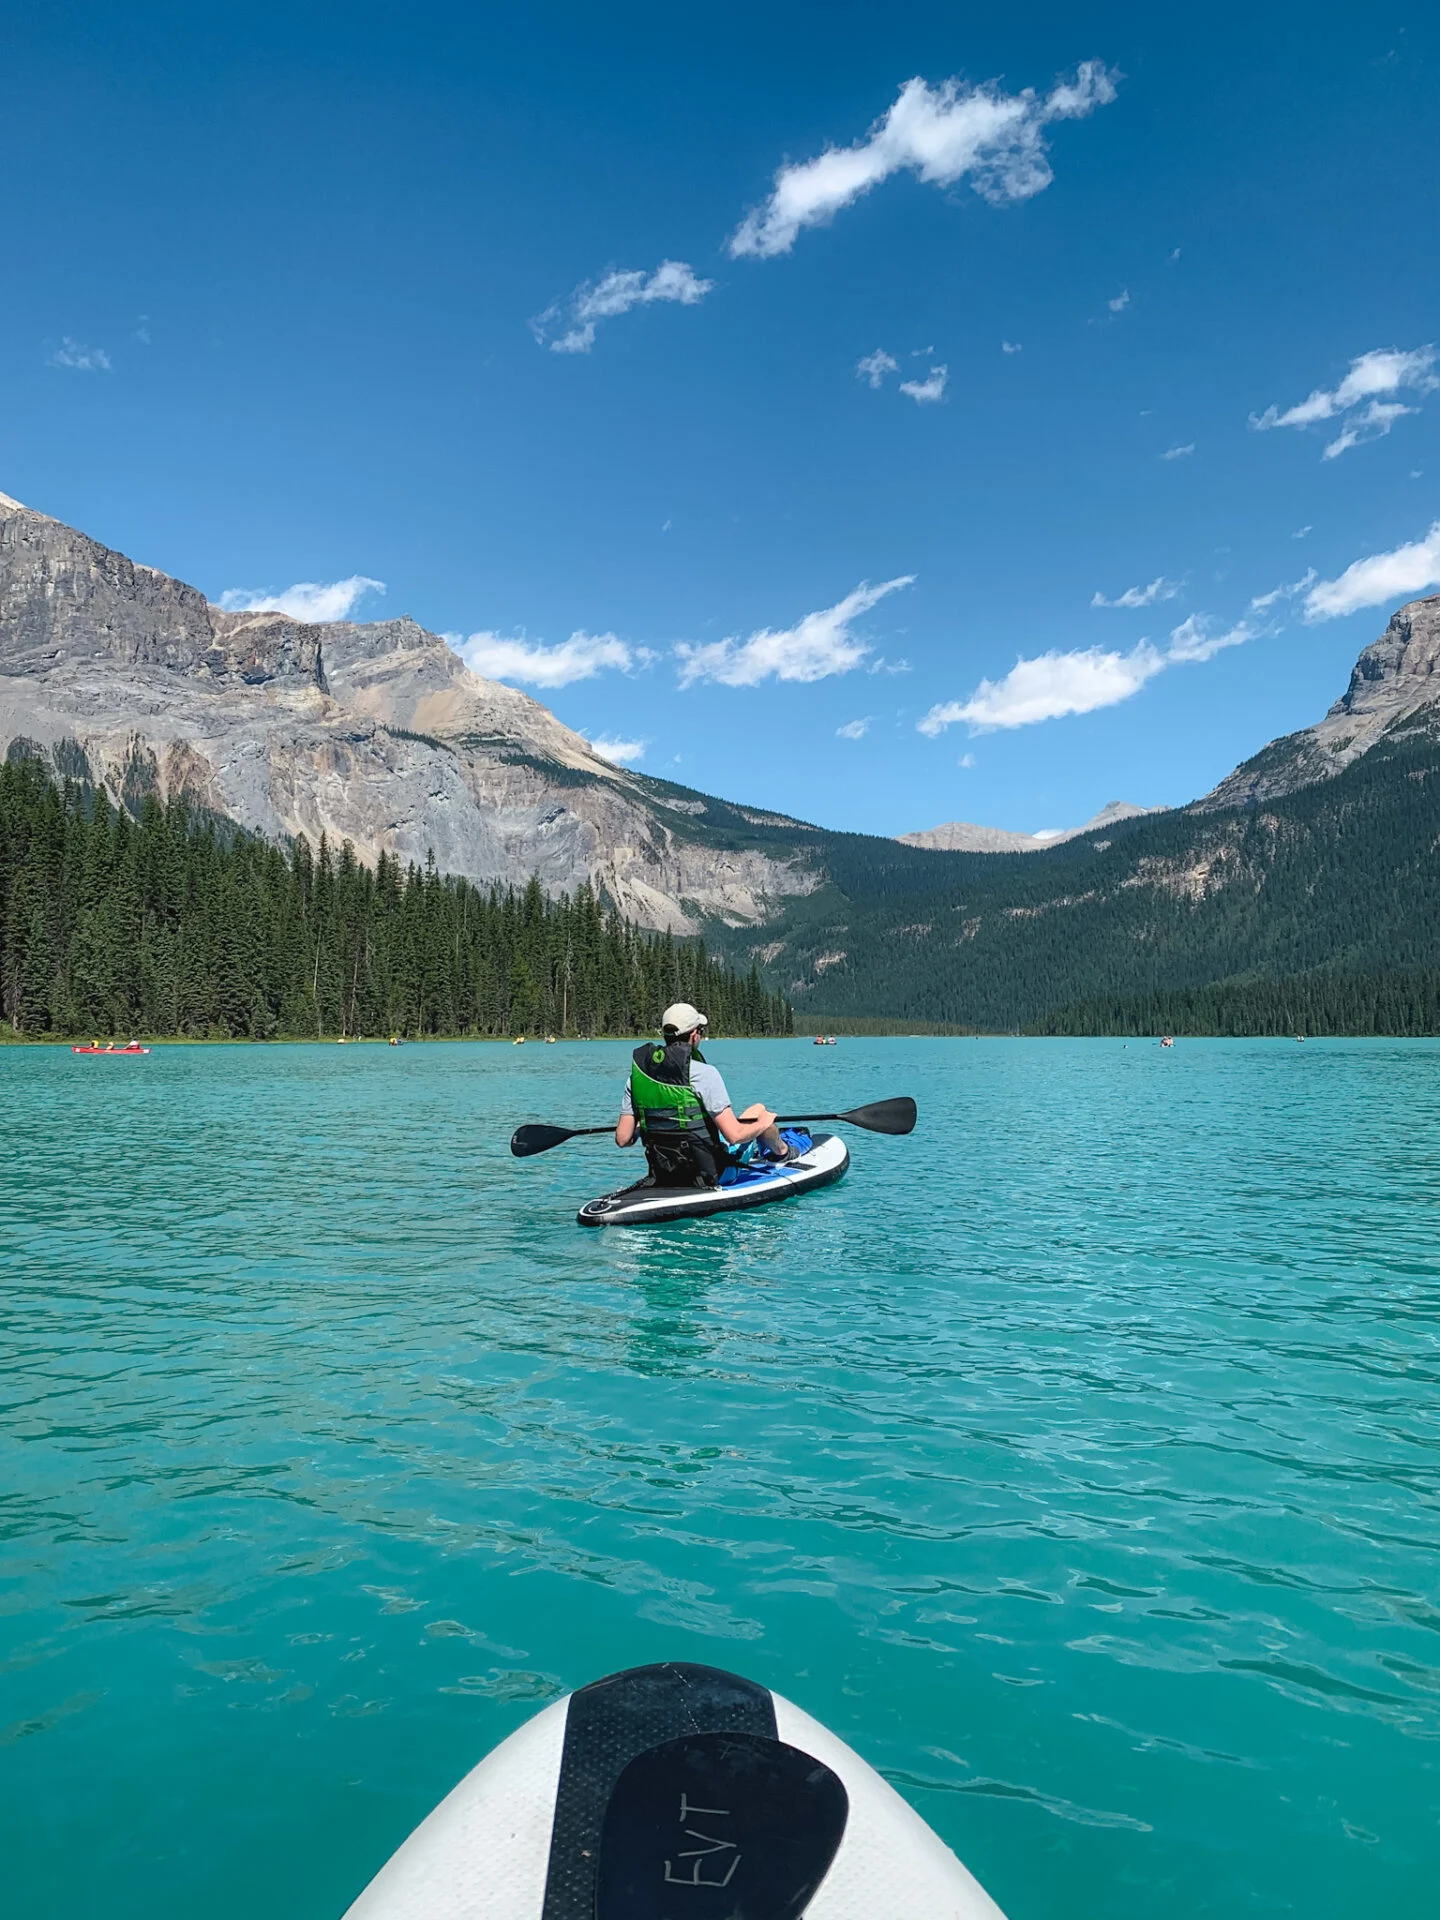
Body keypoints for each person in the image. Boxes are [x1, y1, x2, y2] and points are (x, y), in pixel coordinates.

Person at [616, 1002, 796, 1188]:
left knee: (752, 1113)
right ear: (694, 1035)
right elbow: (735, 1135)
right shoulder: (703, 1074)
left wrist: (649, 1124)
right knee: (759, 1112)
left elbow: (623, 1139)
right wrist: (764, 1123)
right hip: (710, 1175)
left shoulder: (636, 1079)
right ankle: (783, 1152)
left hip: (664, 1174)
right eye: (700, 1031)